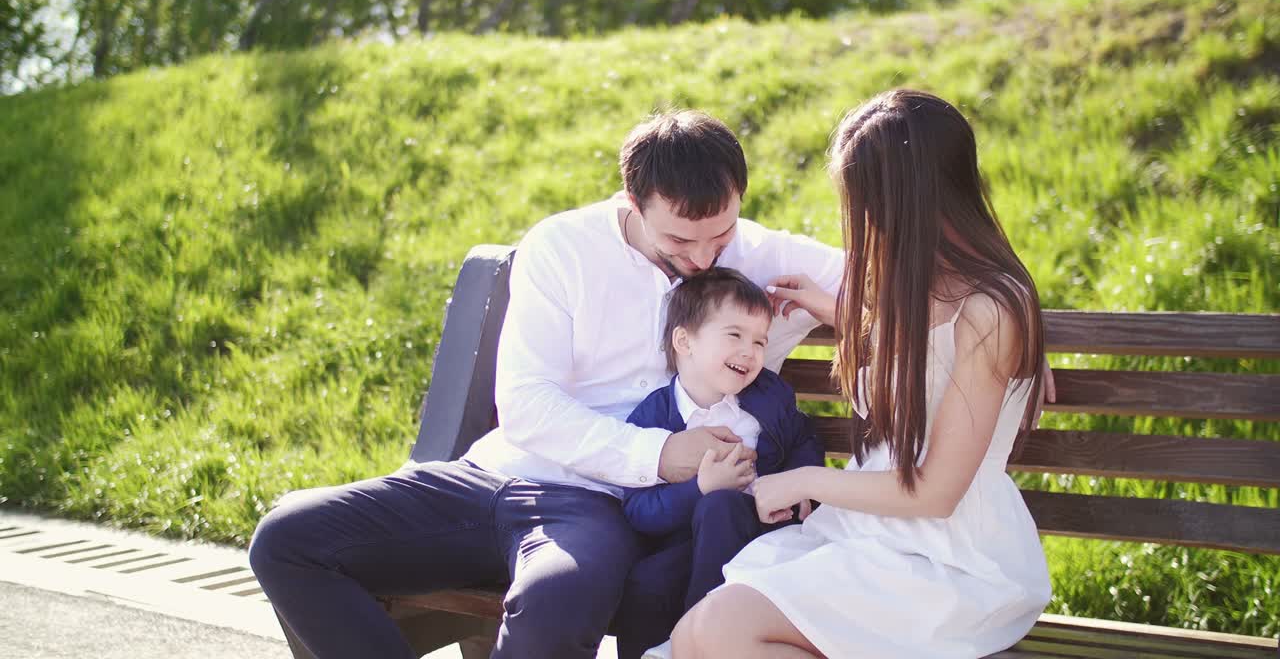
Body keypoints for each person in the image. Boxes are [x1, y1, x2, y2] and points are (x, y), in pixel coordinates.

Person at [248, 109, 844, 658]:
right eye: (681, 240)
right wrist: (660, 453)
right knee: (286, 540)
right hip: (488, 475)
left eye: (721, 233)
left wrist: (832, 306)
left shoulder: (761, 253)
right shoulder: (563, 246)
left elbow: (909, 291)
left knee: (554, 601)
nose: (706, 256)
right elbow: (526, 403)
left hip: (594, 506)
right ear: (633, 202)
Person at [672, 89, 1054, 659]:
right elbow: (923, 362)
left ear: (910, 198)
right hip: (869, 533)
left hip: (944, 555)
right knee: (690, 638)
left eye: (865, 201)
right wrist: (843, 314)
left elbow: (936, 492)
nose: (862, 220)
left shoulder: (991, 310)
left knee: (723, 632)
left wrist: (800, 482)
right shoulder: (908, 286)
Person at [611, 268, 824, 659]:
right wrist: (699, 488)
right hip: (691, 544)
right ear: (684, 341)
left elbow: (803, 440)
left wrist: (798, 487)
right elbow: (639, 510)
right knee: (648, 582)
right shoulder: (653, 417)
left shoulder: (768, 396)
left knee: (723, 505)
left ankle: (693, 646)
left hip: (766, 533)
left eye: (760, 341)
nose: (751, 351)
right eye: (735, 335)